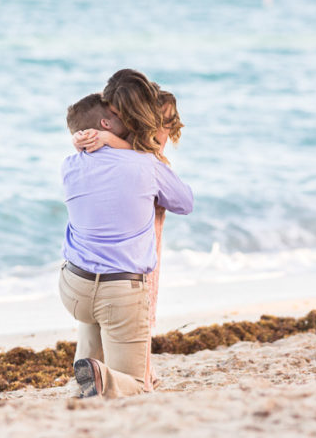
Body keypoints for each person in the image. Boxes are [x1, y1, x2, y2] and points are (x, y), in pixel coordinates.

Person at [59, 87, 193, 398]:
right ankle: (100, 377)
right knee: (134, 383)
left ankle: (84, 373)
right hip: (119, 293)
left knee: (94, 317)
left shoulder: (70, 164)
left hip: (72, 286)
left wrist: (103, 141)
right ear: (106, 124)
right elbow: (185, 202)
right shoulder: (147, 165)